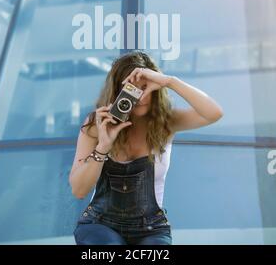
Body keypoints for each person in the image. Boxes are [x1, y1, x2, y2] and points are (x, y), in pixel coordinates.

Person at [69, 51, 223, 245]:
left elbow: (214, 113)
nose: (140, 97)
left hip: (152, 229)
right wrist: (103, 146)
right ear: (117, 92)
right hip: (100, 224)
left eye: (145, 88)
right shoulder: (97, 124)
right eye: (130, 89)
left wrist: (169, 81)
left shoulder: (166, 122)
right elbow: (79, 190)